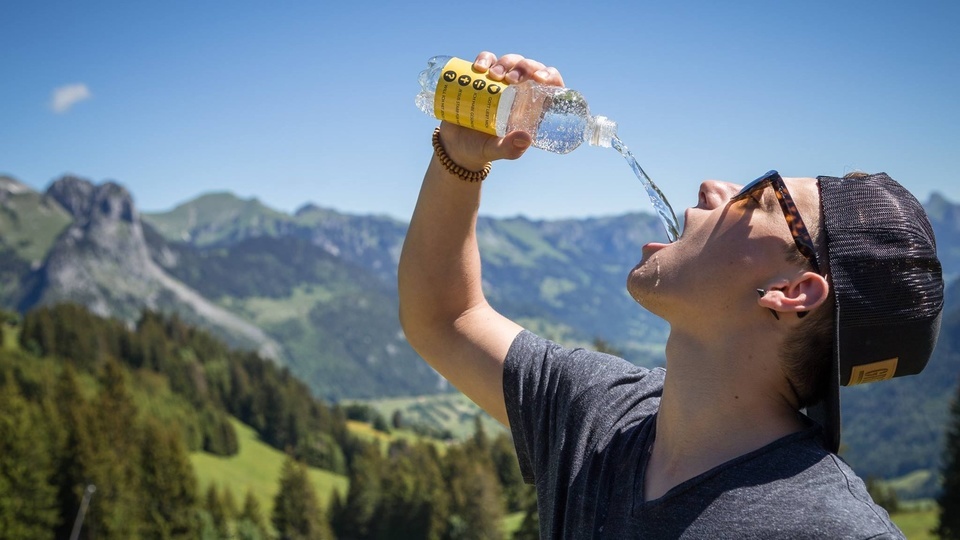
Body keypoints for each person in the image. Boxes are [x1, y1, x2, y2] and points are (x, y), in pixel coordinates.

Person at [398, 51, 944, 539]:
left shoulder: (829, 529)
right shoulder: (603, 415)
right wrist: (461, 161)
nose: (711, 187)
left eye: (759, 201)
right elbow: (446, 318)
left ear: (792, 292)